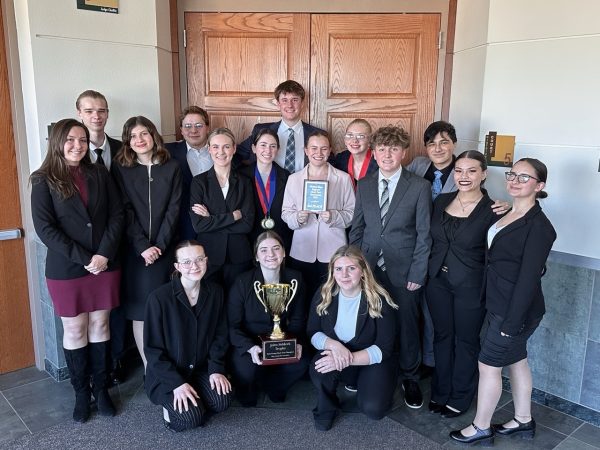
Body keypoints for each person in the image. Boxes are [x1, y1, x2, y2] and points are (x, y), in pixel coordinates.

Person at [450, 158, 556, 445]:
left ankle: (481, 426)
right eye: (513, 175)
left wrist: (511, 323)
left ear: (540, 185)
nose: (515, 181)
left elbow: (529, 278)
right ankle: (523, 420)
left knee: (488, 365)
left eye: (524, 177)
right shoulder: (506, 212)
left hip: (515, 311)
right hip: (499, 303)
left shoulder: (540, 227)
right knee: (517, 360)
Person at [31, 118, 123, 422]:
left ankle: (102, 390)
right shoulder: (42, 179)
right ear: (58, 142)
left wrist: (103, 254)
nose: (77, 146)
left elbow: (117, 214)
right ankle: (81, 393)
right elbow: (45, 229)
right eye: (70, 140)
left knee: (101, 326)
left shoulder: (99, 172)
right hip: (67, 267)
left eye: (83, 140)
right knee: (75, 329)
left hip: (104, 264)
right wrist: (85, 257)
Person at [349, 126, 432, 410]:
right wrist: (355, 267)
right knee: (369, 321)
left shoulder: (419, 186)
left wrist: (417, 273)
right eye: (382, 149)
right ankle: (366, 369)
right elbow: (357, 229)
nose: (387, 154)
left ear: (403, 152)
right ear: (374, 152)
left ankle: (410, 377)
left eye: (394, 149)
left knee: (408, 326)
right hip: (369, 267)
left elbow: (424, 234)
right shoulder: (365, 184)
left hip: (405, 271)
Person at [426, 151, 499, 419]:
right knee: (442, 337)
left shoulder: (493, 210)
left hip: (470, 284)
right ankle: (440, 391)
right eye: (458, 171)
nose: (463, 176)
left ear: (483, 174)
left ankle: (460, 396)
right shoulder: (441, 201)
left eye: (471, 171)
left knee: (466, 341)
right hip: (437, 282)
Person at [112, 116, 182, 369]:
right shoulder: (121, 168)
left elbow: (174, 209)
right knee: (140, 312)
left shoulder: (172, 166)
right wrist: (143, 247)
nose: (139, 140)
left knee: (166, 309)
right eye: (133, 136)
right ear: (127, 142)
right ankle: (149, 369)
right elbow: (124, 210)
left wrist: (160, 246)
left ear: (153, 135)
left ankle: (169, 365)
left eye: (144, 134)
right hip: (136, 253)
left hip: (165, 251)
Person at [308, 245, 397, 430]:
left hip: (371, 362)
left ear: (363, 271)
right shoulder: (324, 293)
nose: (344, 275)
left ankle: (372, 385)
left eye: (351, 268)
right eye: (338, 269)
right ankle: (326, 409)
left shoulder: (378, 298)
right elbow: (313, 332)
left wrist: (346, 359)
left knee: (374, 410)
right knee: (320, 369)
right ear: (332, 272)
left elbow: (384, 348)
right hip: (338, 356)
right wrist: (334, 346)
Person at [144, 240, 231, 432]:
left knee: (222, 400)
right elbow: (152, 350)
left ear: (206, 261)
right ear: (177, 266)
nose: (194, 266)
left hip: (199, 369)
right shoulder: (158, 298)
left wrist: (216, 368)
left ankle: (195, 401)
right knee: (190, 420)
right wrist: (176, 384)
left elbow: (221, 334)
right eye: (187, 262)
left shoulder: (216, 292)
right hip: (167, 377)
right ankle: (174, 409)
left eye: (200, 259)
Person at [76, 89, 128, 383]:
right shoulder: (73, 154)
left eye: (102, 110)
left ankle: (117, 361)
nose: (96, 116)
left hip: (119, 241)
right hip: (85, 249)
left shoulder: (123, 149)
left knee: (115, 306)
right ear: (80, 114)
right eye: (90, 110)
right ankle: (94, 371)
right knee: (89, 316)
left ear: (107, 114)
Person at [228, 231, 308, 406]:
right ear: (256, 256)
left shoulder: (296, 278)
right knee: (246, 372)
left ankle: (275, 387)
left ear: (284, 252)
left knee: (301, 363)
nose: (270, 254)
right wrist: (249, 347)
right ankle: (249, 388)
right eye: (263, 250)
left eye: (276, 248)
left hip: (281, 339)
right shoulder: (243, 282)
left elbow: (298, 319)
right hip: (250, 340)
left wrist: (296, 342)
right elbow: (232, 325)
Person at [281, 131, 355, 298]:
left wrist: (334, 216)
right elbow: (286, 213)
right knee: (302, 297)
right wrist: (297, 218)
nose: (318, 153)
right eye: (313, 148)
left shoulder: (343, 178)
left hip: (333, 250)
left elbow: (352, 214)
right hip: (301, 249)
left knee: (331, 297)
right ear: (306, 150)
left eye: (323, 149)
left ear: (330, 151)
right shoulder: (294, 179)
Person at [189, 127, 254, 289]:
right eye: (216, 147)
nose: (221, 151)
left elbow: (247, 224)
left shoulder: (245, 181)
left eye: (226, 146)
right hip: (208, 255)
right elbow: (199, 225)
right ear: (209, 149)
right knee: (211, 304)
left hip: (239, 256)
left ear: (234, 149)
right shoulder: (199, 183)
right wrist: (233, 216)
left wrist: (211, 220)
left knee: (237, 305)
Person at [237, 80, 326, 172]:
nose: (290, 105)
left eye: (295, 100)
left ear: (302, 103)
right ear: (278, 104)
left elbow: (331, 165)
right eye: (284, 100)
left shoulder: (318, 135)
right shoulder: (261, 130)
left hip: (303, 185)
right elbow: (235, 155)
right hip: (267, 185)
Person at [239, 129, 293, 253]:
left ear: (278, 149)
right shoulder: (241, 175)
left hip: (280, 239)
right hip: (249, 238)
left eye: (272, 146)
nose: (268, 150)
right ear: (253, 148)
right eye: (263, 145)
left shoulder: (287, 176)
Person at [166, 106, 213, 240]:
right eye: (187, 126)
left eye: (199, 125)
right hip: (181, 226)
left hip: (215, 223)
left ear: (207, 127)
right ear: (181, 130)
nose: (193, 130)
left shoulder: (220, 151)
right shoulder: (167, 152)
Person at [332, 119, 378, 190]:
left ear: (370, 140)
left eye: (361, 136)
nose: (354, 140)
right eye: (350, 135)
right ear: (345, 140)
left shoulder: (379, 161)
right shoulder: (340, 159)